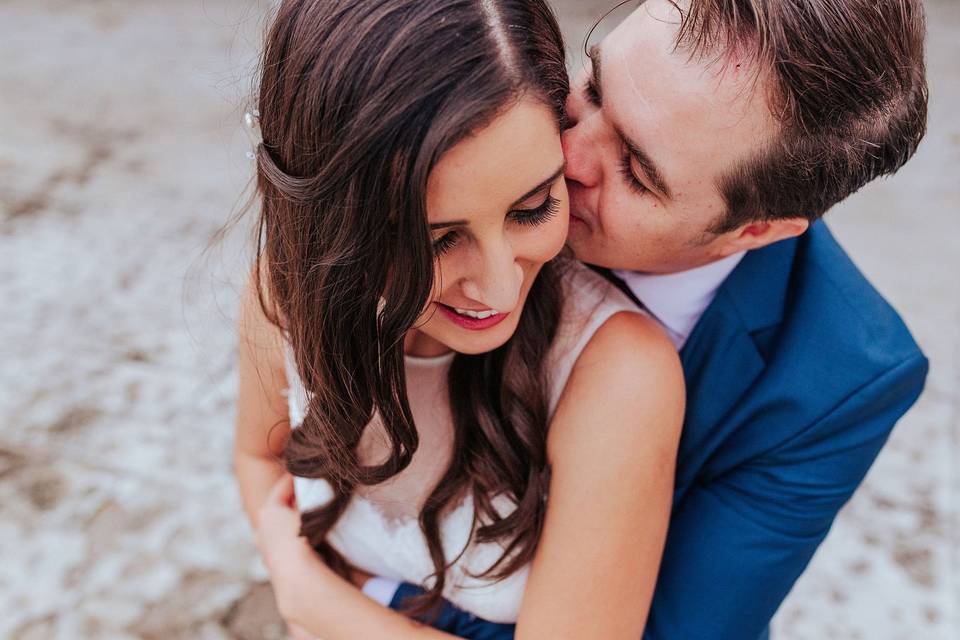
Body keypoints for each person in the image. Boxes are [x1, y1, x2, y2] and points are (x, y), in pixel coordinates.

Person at [380, 0, 930, 638]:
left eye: (637, 173)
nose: (565, 155)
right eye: (592, 87)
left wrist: (334, 601)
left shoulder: (842, 383)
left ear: (755, 231)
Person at [233, 1, 684, 638]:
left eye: (531, 209)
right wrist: (283, 552)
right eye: (436, 241)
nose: (498, 286)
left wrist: (305, 593)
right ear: (333, 225)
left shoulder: (616, 372)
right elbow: (259, 458)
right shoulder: (284, 292)